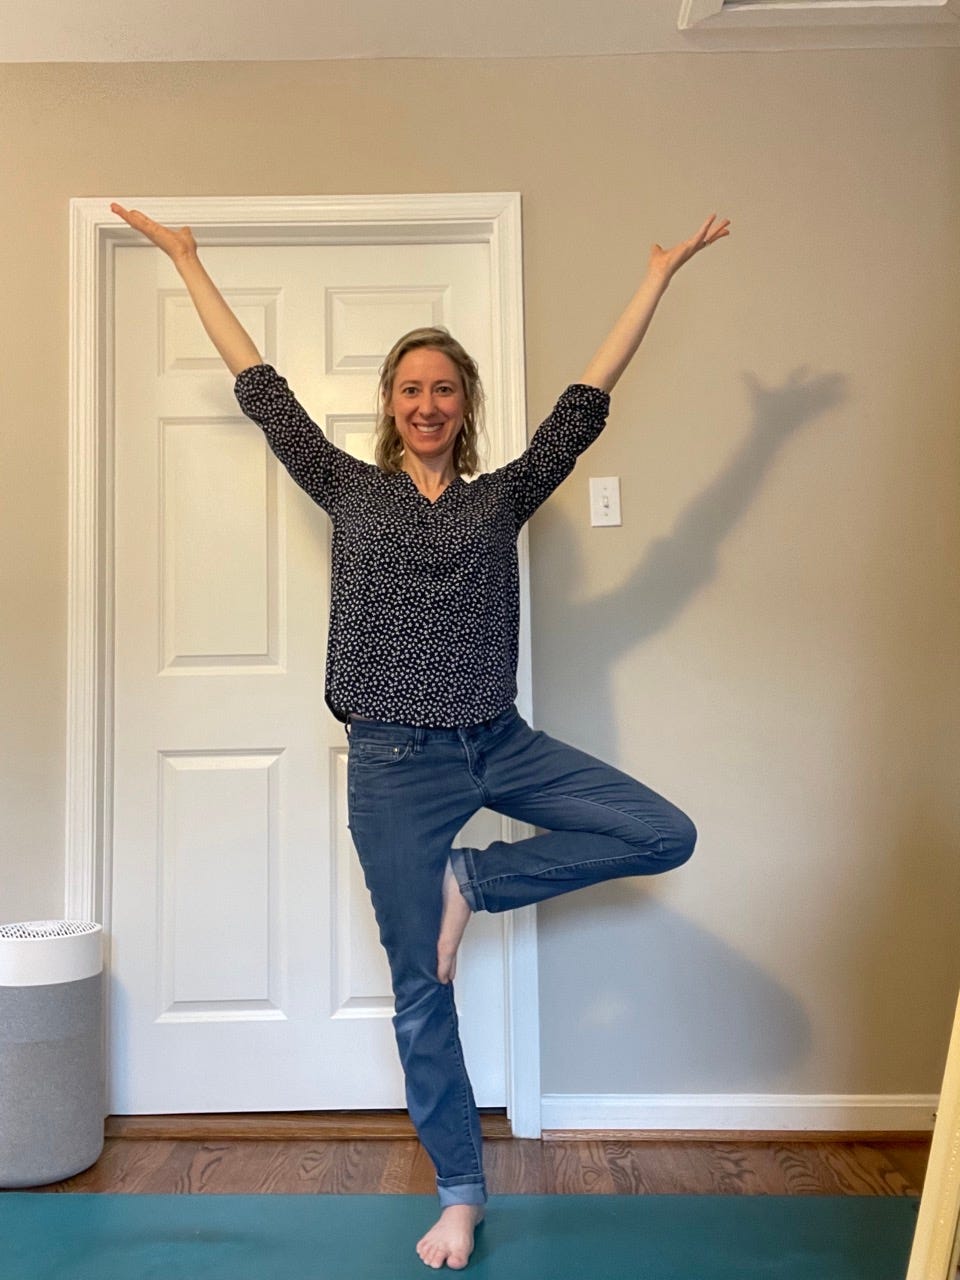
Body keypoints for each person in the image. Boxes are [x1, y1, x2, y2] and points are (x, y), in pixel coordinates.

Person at [111, 201, 729, 1270]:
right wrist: (184, 260)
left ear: (465, 404)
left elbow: (587, 402)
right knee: (421, 986)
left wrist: (658, 277)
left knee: (660, 829)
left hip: (500, 740)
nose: (429, 402)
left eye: (446, 387)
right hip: (395, 763)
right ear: (391, 409)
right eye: (412, 388)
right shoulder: (349, 488)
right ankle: (459, 1193)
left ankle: (474, 883)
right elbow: (261, 390)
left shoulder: (507, 493)